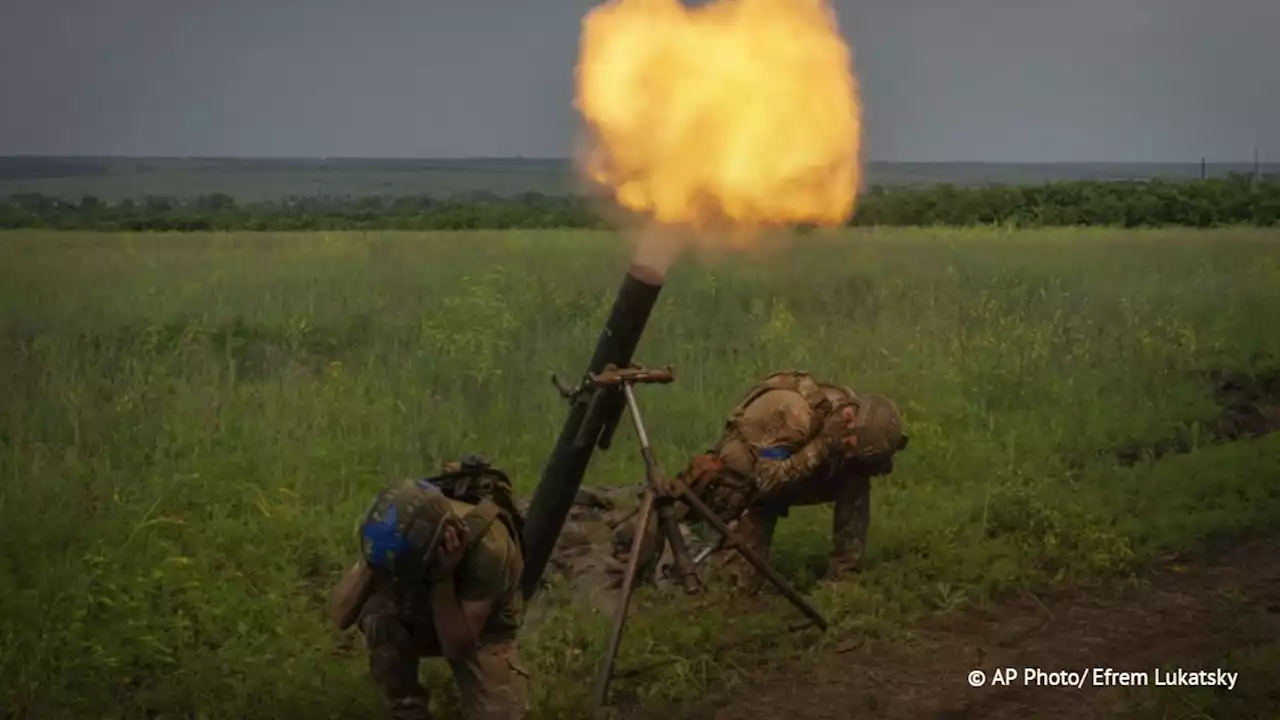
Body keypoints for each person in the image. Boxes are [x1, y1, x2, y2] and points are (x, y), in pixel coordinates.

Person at [329, 456, 529, 720]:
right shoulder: (394, 531)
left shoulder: (488, 548)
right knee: (377, 612)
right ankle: (408, 709)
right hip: (425, 599)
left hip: (482, 627)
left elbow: (457, 646)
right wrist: (371, 562)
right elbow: (340, 615)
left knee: (499, 714)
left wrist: (443, 577)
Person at [673, 371, 908, 589]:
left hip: (789, 472)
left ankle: (844, 578)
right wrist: (824, 444)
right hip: (748, 482)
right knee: (733, 584)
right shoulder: (798, 416)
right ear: (849, 418)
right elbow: (766, 479)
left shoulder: (852, 416)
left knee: (856, 476)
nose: (848, 452)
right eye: (850, 446)